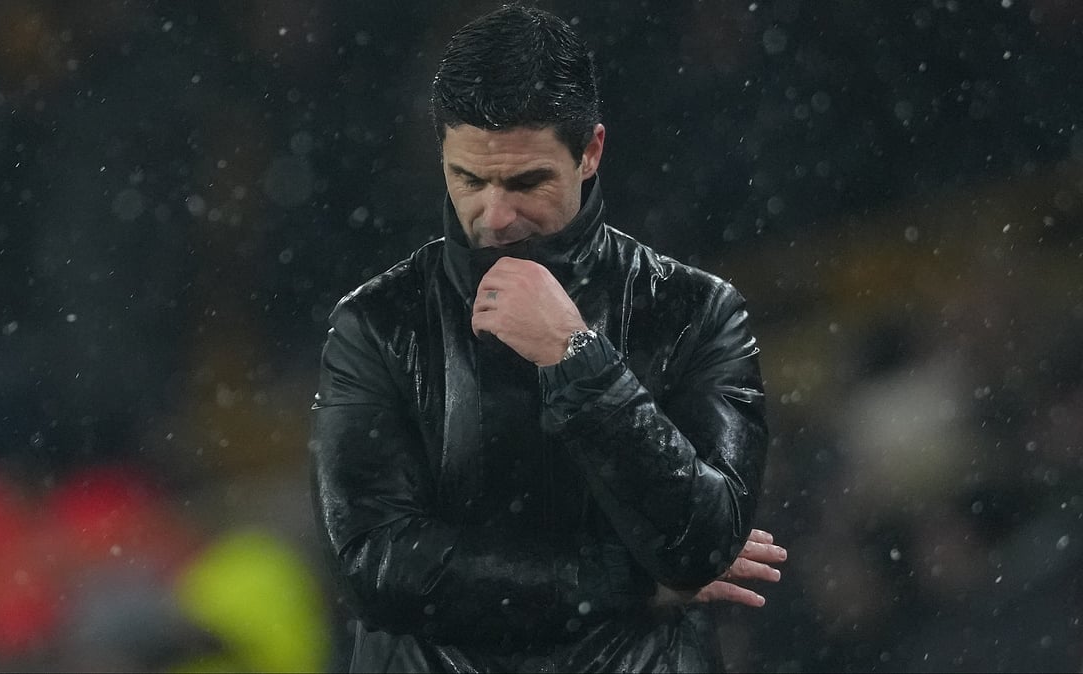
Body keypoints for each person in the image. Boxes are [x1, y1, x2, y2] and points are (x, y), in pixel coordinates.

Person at [310, 5, 784, 671]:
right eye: (468, 179)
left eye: (527, 181)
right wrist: (633, 583)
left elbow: (702, 546)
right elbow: (376, 567)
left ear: (590, 151)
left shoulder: (696, 312)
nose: (495, 215)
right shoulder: (377, 324)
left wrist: (578, 355)